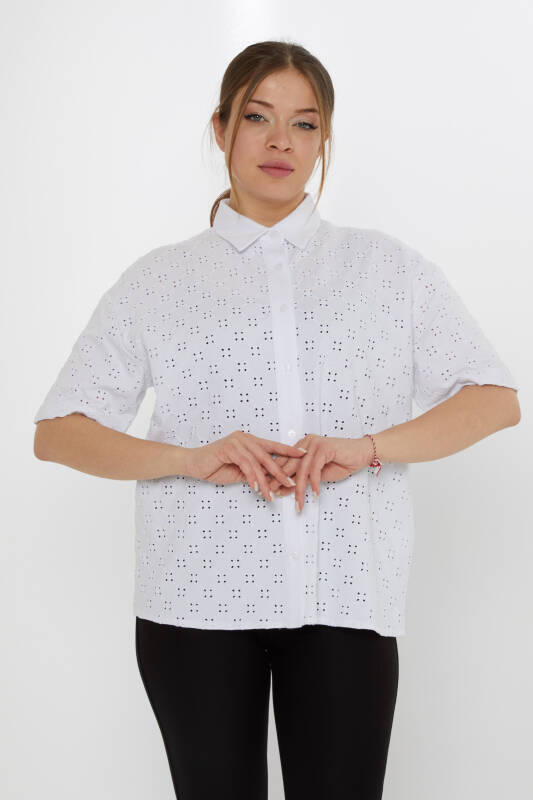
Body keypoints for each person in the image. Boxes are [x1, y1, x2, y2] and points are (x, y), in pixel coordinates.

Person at [33, 40, 520, 800]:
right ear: (221, 128)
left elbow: (494, 398)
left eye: (304, 123)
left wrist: (368, 447)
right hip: (193, 599)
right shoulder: (158, 280)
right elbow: (58, 430)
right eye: (258, 117)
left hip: (345, 596)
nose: (280, 142)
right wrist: (189, 457)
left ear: (324, 140)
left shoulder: (386, 269)